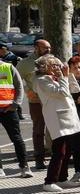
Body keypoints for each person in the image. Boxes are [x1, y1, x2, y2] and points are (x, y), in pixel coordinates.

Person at [31, 55, 80, 192]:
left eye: (58, 65)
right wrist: (63, 77)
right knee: (59, 151)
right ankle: (49, 181)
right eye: (54, 66)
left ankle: (62, 178)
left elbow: (75, 89)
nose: (58, 68)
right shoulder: (41, 81)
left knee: (68, 150)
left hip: (69, 118)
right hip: (58, 120)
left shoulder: (58, 77)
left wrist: (68, 75)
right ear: (45, 67)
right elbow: (62, 92)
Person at [16, 39, 51, 170]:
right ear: (36, 48)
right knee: (38, 131)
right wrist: (27, 91)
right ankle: (39, 159)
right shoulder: (25, 64)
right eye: (45, 48)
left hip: (52, 100)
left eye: (49, 48)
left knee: (56, 129)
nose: (48, 50)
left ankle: (58, 156)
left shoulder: (53, 60)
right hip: (36, 102)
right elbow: (16, 81)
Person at [0, 49, 31, 177]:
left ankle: (24, 166)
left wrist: (15, 104)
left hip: (9, 110)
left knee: (17, 139)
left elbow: (19, 87)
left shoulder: (8, 67)